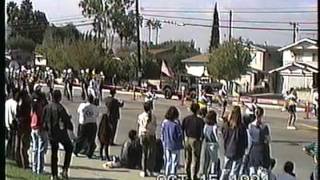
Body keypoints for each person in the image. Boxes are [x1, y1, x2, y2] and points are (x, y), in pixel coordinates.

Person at [42, 90, 74, 180]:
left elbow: (43, 120)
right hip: (60, 133)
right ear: (59, 98)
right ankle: (64, 170)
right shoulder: (60, 108)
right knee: (69, 148)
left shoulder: (47, 107)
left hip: (50, 133)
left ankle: (54, 174)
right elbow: (66, 120)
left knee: (54, 153)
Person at [220, 106, 248, 180]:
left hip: (228, 150)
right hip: (238, 152)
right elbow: (245, 141)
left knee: (225, 170)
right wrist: (244, 149)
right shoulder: (242, 127)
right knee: (234, 172)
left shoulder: (226, 125)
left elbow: (223, 136)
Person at [182, 103, 204, 180]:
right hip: (196, 140)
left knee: (188, 158)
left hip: (187, 138)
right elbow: (202, 132)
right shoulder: (200, 121)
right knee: (196, 158)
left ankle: (187, 174)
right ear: (198, 110)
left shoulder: (186, 119)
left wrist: (183, 139)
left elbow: (182, 129)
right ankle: (194, 175)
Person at [247, 107, 271, 176]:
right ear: (262, 114)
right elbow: (268, 140)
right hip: (263, 149)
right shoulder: (265, 127)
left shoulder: (250, 126)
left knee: (252, 171)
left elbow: (249, 141)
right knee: (263, 172)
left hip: (253, 149)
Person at [30, 84, 48, 174]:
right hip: (39, 127)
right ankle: (39, 169)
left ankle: (34, 168)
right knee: (41, 149)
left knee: (34, 148)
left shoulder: (32, 104)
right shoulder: (39, 105)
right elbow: (41, 116)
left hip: (33, 126)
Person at [74, 94, 99, 158]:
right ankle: (89, 154)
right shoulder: (95, 107)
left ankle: (75, 151)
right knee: (91, 139)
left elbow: (78, 111)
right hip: (92, 124)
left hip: (84, 124)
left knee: (80, 138)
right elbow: (96, 115)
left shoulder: (82, 105)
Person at [161, 106, 183, 176]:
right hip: (175, 145)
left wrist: (163, 141)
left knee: (167, 160)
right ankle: (173, 175)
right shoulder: (176, 125)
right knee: (174, 161)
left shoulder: (165, 122)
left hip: (167, 144)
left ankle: (166, 174)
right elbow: (179, 135)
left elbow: (162, 133)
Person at [137, 102, 157, 177]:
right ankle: (150, 169)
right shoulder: (153, 117)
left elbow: (139, 125)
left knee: (144, 153)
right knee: (151, 153)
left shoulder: (140, 116)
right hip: (151, 135)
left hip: (143, 134)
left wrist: (138, 135)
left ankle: (144, 170)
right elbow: (155, 126)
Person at [198, 110, 220, 178]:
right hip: (213, 144)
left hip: (207, 143)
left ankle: (204, 174)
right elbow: (217, 137)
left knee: (206, 161)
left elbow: (204, 134)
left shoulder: (206, 126)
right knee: (213, 161)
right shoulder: (215, 127)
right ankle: (213, 174)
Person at [15, 90, 32, 169]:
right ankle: (25, 163)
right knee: (24, 146)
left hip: (20, 126)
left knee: (19, 145)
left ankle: (19, 161)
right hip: (24, 126)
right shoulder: (25, 104)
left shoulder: (19, 103)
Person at [5, 88, 19, 160]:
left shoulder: (7, 102)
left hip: (6, 123)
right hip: (12, 124)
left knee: (7, 140)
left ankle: (7, 154)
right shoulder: (15, 104)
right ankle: (11, 155)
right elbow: (16, 115)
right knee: (12, 141)